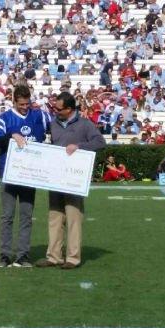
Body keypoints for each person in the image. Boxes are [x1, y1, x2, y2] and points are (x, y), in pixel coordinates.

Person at [36, 91, 106, 269]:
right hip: (55, 178)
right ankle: (54, 256)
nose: (55, 111)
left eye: (58, 109)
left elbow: (100, 142)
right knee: (55, 218)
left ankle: (73, 258)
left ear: (69, 109)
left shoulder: (85, 124)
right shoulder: (53, 124)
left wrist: (79, 146)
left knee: (74, 218)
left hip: (74, 180)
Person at [0, 85, 50, 268]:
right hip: (9, 174)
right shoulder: (4, 118)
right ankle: (5, 255)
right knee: (7, 216)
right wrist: (12, 134)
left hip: (30, 175)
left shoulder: (39, 115)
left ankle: (23, 255)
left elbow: (55, 131)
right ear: (14, 101)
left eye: (27, 103)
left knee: (26, 216)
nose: (25, 107)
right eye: (22, 104)